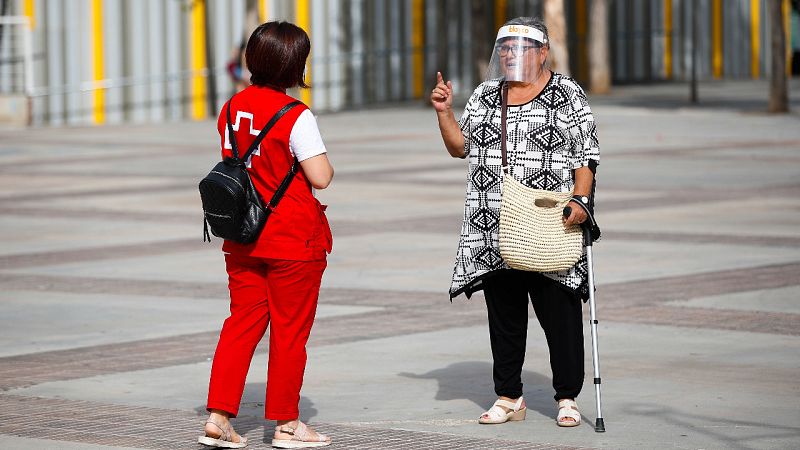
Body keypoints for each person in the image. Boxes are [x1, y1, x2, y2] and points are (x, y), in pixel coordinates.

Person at [431, 17, 600, 428]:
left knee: (558, 313)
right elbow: (460, 147)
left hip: (548, 222)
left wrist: (581, 199)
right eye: (504, 48)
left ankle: (567, 396)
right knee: (504, 315)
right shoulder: (487, 94)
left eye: (519, 48)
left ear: (542, 53)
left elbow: (587, 154)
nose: (509, 55)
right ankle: (509, 395)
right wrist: (444, 111)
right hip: (493, 223)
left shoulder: (568, 93)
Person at [199, 21, 333, 449]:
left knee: (240, 324)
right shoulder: (296, 114)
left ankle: (219, 417)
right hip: (293, 238)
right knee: (290, 331)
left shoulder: (231, 106)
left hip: (242, 235)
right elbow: (321, 176)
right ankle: (288, 425)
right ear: (294, 66)